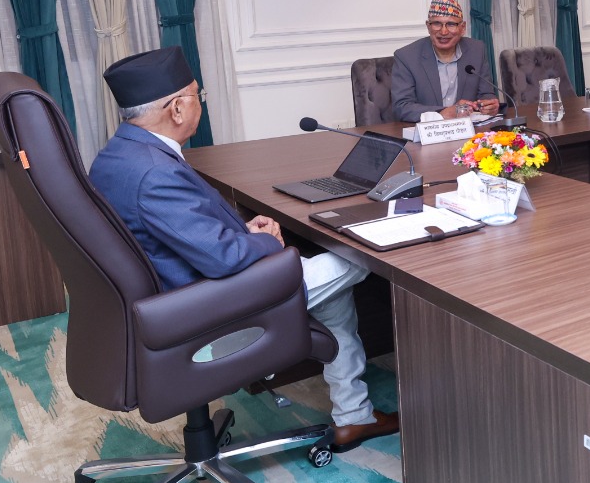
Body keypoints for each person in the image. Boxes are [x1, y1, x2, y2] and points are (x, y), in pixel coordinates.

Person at [90, 47, 398, 451]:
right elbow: (225, 258)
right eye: (197, 96)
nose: (200, 105)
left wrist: (244, 229)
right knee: (361, 254)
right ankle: (356, 412)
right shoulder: (155, 173)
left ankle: (354, 415)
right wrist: (265, 242)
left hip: (171, 293)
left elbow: (180, 228)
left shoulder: (119, 155)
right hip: (212, 304)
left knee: (333, 290)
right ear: (177, 109)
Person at [391, 0, 501, 122]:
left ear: (462, 28)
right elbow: (402, 107)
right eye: (437, 23)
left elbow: (486, 94)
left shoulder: (477, 50)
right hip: (427, 131)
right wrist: (443, 113)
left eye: (451, 24)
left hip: (468, 129)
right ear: (428, 26)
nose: (443, 32)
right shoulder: (406, 57)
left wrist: (489, 105)